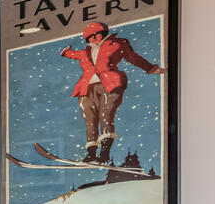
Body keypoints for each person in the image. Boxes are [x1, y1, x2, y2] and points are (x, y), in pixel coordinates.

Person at [59, 21, 165, 164]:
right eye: (89, 37)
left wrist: (152, 69)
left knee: (106, 115)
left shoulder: (117, 44)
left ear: (102, 33)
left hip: (109, 84)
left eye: (95, 35)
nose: (92, 39)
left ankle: (104, 153)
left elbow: (133, 57)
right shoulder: (86, 51)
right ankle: (91, 154)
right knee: (90, 120)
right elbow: (74, 54)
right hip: (86, 88)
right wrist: (66, 52)